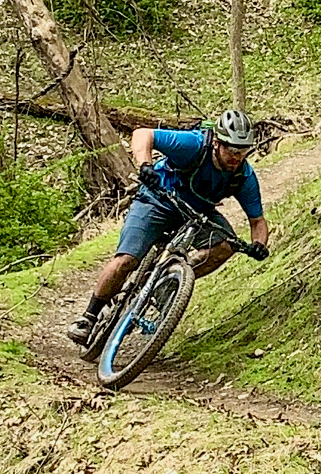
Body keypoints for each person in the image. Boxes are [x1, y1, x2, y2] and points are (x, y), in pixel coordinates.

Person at [66, 108, 271, 347]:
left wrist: (259, 245)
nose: (236, 157)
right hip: (157, 199)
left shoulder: (244, 177)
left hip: (197, 214)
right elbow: (143, 134)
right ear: (216, 142)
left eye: (242, 151)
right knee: (126, 260)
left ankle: (171, 280)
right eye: (231, 149)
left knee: (225, 248)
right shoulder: (193, 145)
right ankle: (89, 316)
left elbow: (257, 220)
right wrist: (145, 166)